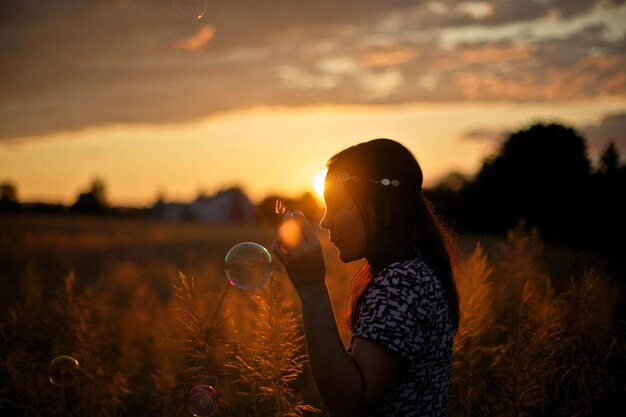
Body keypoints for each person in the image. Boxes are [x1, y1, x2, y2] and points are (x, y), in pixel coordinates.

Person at [272, 138, 459, 417]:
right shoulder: (411, 274)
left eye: (336, 205)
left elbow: (350, 400)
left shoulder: (403, 281)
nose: (325, 221)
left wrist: (312, 289)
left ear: (380, 205)